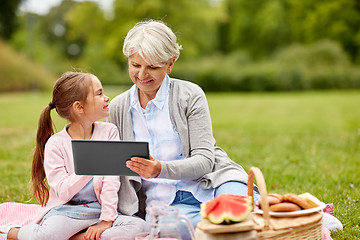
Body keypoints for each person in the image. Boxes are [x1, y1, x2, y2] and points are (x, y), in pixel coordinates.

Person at [107, 20, 260, 231]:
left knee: (241, 217)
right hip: (164, 202)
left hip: (214, 183)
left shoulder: (190, 95)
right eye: (135, 65)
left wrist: (161, 169)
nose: (142, 75)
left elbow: (205, 160)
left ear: (170, 64)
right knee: (188, 229)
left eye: (152, 67)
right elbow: (114, 168)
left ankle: (315, 221)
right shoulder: (118, 108)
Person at [0, 72, 146, 240]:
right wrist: (90, 168)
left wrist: (106, 219)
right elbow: (62, 192)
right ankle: (10, 232)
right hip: (67, 212)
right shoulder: (55, 144)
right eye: (99, 94)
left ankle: (75, 238)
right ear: (79, 107)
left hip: (98, 211)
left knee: (140, 227)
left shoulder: (109, 132)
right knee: (45, 236)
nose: (106, 98)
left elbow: (111, 182)